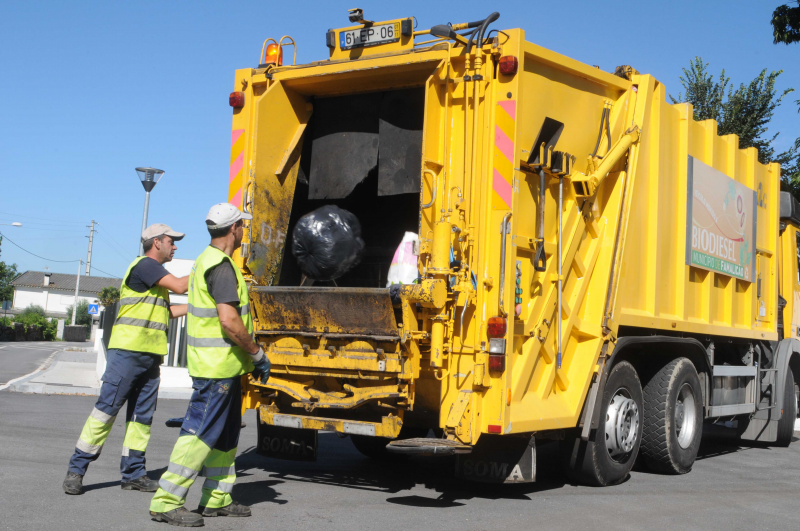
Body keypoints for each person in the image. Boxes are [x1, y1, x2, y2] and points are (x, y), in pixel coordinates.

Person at [149, 203, 270, 527]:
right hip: (216, 369)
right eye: (242, 227)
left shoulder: (209, 260)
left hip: (224, 367)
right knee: (199, 434)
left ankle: (216, 498)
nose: (243, 231)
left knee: (226, 434)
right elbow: (229, 321)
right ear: (234, 230)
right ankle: (166, 501)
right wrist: (257, 353)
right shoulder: (221, 267)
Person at [63, 224, 190, 495]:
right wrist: (209, 270)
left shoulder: (153, 279)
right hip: (128, 354)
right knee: (105, 412)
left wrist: (199, 307)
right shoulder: (145, 266)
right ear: (156, 243)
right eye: (171, 241)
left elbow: (166, 312)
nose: (175, 246)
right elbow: (181, 284)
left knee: (141, 420)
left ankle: (133, 474)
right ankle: (76, 470)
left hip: (149, 358)